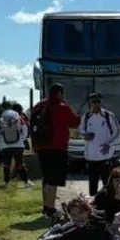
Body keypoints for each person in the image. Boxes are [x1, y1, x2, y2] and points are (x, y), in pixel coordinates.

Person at [30, 83, 80, 217]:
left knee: (46, 178)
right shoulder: (62, 107)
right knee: (53, 179)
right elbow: (75, 122)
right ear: (60, 93)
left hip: (41, 147)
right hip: (57, 147)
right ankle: (51, 209)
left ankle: (46, 206)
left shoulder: (39, 106)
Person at [79, 93, 120, 196]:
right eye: (94, 101)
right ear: (90, 103)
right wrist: (85, 136)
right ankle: (93, 207)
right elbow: (81, 131)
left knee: (107, 185)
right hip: (91, 157)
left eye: (98, 101)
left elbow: (118, 132)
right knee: (92, 186)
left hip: (105, 156)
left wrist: (110, 144)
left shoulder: (108, 116)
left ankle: (108, 205)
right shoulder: (86, 117)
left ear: (101, 102)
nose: (96, 104)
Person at [0, 104, 33, 188]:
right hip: (18, 145)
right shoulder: (18, 118)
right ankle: (26, 182)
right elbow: (25, 129)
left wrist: (1, 144)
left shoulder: (3, 117)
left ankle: (6, 183)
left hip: (5, 146)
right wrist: (21, 140)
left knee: (6, 164)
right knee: (20, 164)